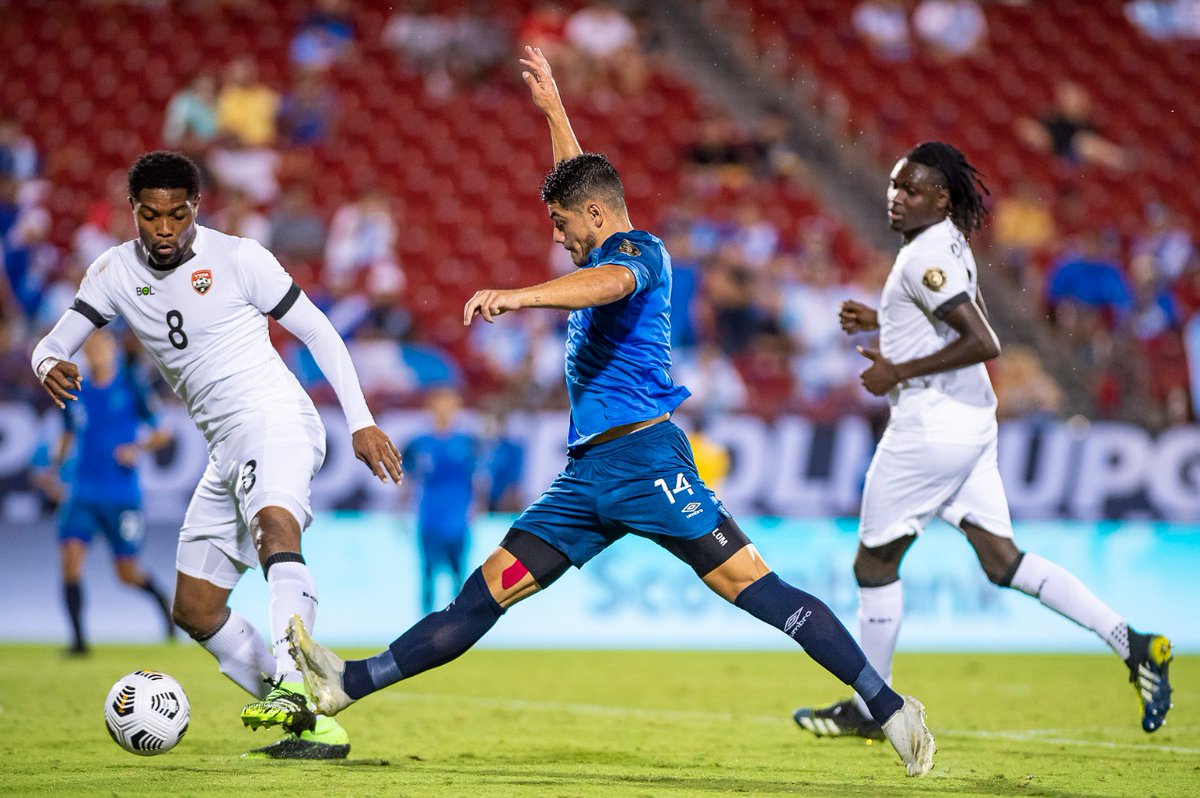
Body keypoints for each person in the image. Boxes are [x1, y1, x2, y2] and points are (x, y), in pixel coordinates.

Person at [286, 47, 936, 778]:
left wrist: (520, 295)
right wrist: (556, 113)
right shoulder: (597, 222)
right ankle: (348, 683)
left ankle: (887, 707)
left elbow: (602, 280)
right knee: (484, 595)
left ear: (595, 218)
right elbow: (580, 190)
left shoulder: (643, 256)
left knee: (754, 589)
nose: (559, 240)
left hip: (649, 462)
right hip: (587, 480)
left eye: (564, 226)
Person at [792, 142, 1173, 741]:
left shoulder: (923, 259)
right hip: (970, 422)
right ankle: (1134, 644)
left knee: (873, 563)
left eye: (911, 190)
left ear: (941, 197)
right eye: (894, 186)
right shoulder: (948, 243)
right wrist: (882, 320)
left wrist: (896, 371)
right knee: (1004, 561)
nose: (896, 198)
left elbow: (982, 339)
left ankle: (872, 709)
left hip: (929, 428)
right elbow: (945, 318)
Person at [32, 151, 403, 760]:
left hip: (275, 419)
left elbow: (319, 331)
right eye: (151, 216)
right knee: (196, 608)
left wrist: (360, 421)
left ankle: (291, 682)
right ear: (134, 212)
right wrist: (48, 363)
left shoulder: (238, 258)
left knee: (273, 525)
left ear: (194, 209)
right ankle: (307, 723)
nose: (164, 229)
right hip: (223, 446)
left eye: (177, 215)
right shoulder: (113, 272)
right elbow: (52, 342)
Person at [40, 329, 174, 655]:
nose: (95, 351)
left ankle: (162, 605)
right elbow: (68, 434)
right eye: (90, 346)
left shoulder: (131, 385)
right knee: (70, 561)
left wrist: (137, 448)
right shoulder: (75, 390)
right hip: (82, 492)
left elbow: (163, 433)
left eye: (101, 345)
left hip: (121, 495)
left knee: (126, 573)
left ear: (112, 348)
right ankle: (78, 641)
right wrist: (54, 469)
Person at [403, 387, 480, 615]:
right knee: (428, 573)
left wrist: (478, 507)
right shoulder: (419, 443)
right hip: (429, 516)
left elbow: (478, 479)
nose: (444, 412)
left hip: (458, 517)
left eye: (449, 407)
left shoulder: (468, 442)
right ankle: (423, 626)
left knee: (458, 574)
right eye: (440, 407)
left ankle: (458, 626)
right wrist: (401, 508)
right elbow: (409, 478)